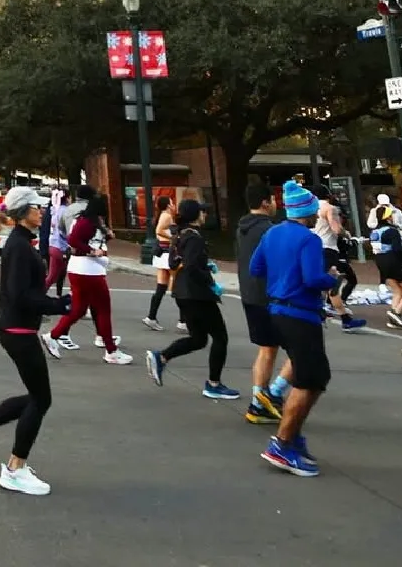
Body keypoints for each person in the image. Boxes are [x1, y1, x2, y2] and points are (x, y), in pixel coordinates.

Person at [0, 187, 70, 496]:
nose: (42, 211)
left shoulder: (23, 243)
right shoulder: (19, 247)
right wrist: (58, 306)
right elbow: (21, 295)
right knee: (41, 399)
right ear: (23, 212)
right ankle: (14, 469)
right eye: (37, 207)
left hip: (18, 328)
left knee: (38, 397)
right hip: (17, 330)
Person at [248, 180, 338, 477]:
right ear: (308, 211)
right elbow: (313, 278)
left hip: (276, 310)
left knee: (305, 372)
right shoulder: (309, 239)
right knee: (311, 379)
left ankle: (293, 437)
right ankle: (283, 444)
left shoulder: (272, 232)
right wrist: (332, 278)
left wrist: (281, 274)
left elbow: (255, 269)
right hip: (301, 313)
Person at [144, 199, 240, 400]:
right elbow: (193, 267)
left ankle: (162, 357)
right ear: (196, 215)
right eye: (202, 212)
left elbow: (173, 262)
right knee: (220, 337)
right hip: (198, 295)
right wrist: (211, 282)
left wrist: (205, 264)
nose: (204, 216)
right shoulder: (194, 237)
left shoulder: (178, 234)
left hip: (181, 292)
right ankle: (214, 383)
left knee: (198, 339)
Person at [42, 193, 131, 365]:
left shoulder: (90, 222)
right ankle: (111, 351)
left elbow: (84, 240)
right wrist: (91, 251)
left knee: (79, 309)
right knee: (103, 309)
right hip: (89, 271)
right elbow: (73, 239)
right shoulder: (87, 223)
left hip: (84, 269)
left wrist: (102, 241)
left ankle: (52, 336)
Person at [236, 182, 295, 425]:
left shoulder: (241, 228)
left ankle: (258, 402)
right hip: (273, 297)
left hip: (250, 295)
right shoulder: (271, 230)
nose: (275, 204)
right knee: (302, 350)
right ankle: (275, 392)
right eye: (272, 199)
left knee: (266, 349)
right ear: (265, 202)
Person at [310, 186, 364, 331]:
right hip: (328, 248)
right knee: (331, 281)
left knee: (327, 281)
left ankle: (336, 316)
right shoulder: (329, 208)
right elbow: (337, 229)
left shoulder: (310, 208)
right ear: (327, 195)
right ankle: (337, 317)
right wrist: (347, 235)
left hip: (313, 246)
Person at [369, 203, 402, 329]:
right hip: (394, 262)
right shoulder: (392, 231)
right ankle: (396, 313)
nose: (392, 216)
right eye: (390, 214)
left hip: (381, 263)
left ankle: (393, 318)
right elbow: (398, 250)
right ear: (387, 217)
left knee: (398, 291)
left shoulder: (375, 232)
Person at [142, 196, 176, 331]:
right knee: (178, 285)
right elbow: (159, 230)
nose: (173, 205)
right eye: (172, 202)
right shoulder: (167, 216)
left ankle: (151, 317)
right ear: (168, 205)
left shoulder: (163, 215)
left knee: (161, 287)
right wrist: (173, 237)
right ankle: (183, 320)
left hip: (161, 253)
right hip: (167, 253)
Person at [43, 190, 69, 298]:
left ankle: (39, 293)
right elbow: (65, 230)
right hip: (63, 247)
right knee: (72, 274)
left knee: (52, 276)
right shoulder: (66, 211)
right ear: (67, 198)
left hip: (53, 245)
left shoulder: (54, 210)